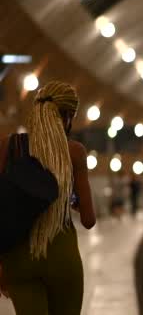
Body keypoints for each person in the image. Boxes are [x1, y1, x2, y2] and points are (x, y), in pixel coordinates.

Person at [0, 81, 96, 314]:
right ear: (68, 117)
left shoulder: (7, 146)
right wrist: (68, 198)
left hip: (18, 257)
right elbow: (88, 219)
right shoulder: (74, 151)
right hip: (62, 257)